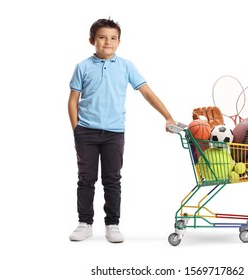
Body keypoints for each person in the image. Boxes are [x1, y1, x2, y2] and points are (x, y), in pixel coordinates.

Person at [68, 18, 175, 243]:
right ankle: (85, 223)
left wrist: (167, 116)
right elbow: (73, 100)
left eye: (113, 38)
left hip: (114, 133)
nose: (108, 42)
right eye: (102, 37)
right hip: (86, 132)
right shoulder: (83, 67)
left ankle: (112, 224)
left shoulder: (126, 66)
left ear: (119, 42)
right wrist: (76, 129)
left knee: (112, 179)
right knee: (86, 179)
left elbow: (146, 92)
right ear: (92, 40)